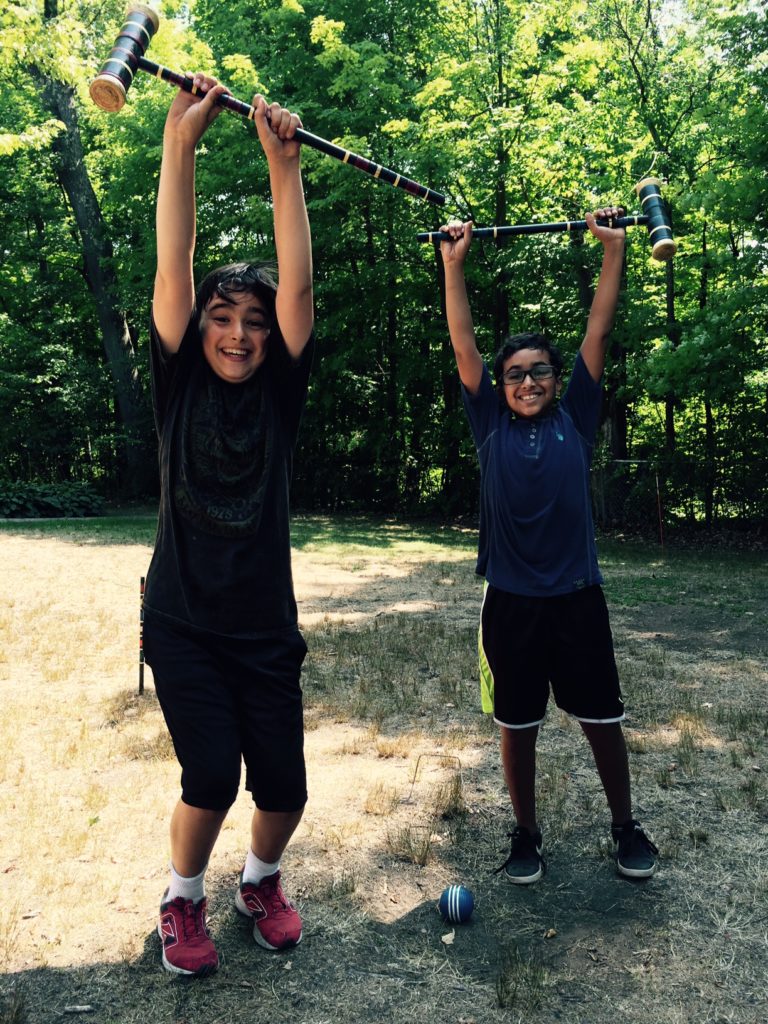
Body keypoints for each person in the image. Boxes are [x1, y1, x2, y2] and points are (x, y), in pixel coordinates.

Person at [142, 72, 314, 976]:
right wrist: (181, 146)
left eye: (252, 322)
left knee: (284, 784)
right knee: (210, 773)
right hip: (182, 618)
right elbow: (175, 264)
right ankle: (181, 897)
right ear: (199, 326)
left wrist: (284, 168)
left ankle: (261, 879)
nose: (241, 335)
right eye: (223, 317)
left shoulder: (279, 391)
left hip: (263, 625)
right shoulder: (179, 380)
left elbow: (297, 289)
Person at [439, 210, 657, 884]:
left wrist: (612, 251)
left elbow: (598, 326)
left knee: (601, 720)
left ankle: (625, 827)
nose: (527, 382)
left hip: (576, 600)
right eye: (515, 375)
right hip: (510, 603)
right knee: (517, 725)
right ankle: (526, 835)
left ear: (557, 380)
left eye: (538, 372)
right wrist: (453, 266)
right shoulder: (489, 427)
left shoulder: (576, 419)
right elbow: (464, 342)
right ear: (500, 388)